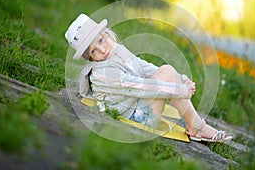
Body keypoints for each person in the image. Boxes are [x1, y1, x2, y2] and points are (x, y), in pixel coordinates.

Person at [65, 13, 232, 142]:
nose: (102, 49)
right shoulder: (104, 72)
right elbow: (142, 87)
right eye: (94, 50)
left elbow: (143, 67)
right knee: (165, 78)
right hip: (135, 117)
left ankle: (196, 126)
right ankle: (197, 127)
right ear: (89, 57)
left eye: (101, 40)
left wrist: (180, 79)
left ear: (106, 34)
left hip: (137, 103)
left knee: (166, 71)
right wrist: (180, 90)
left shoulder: (116, 50)